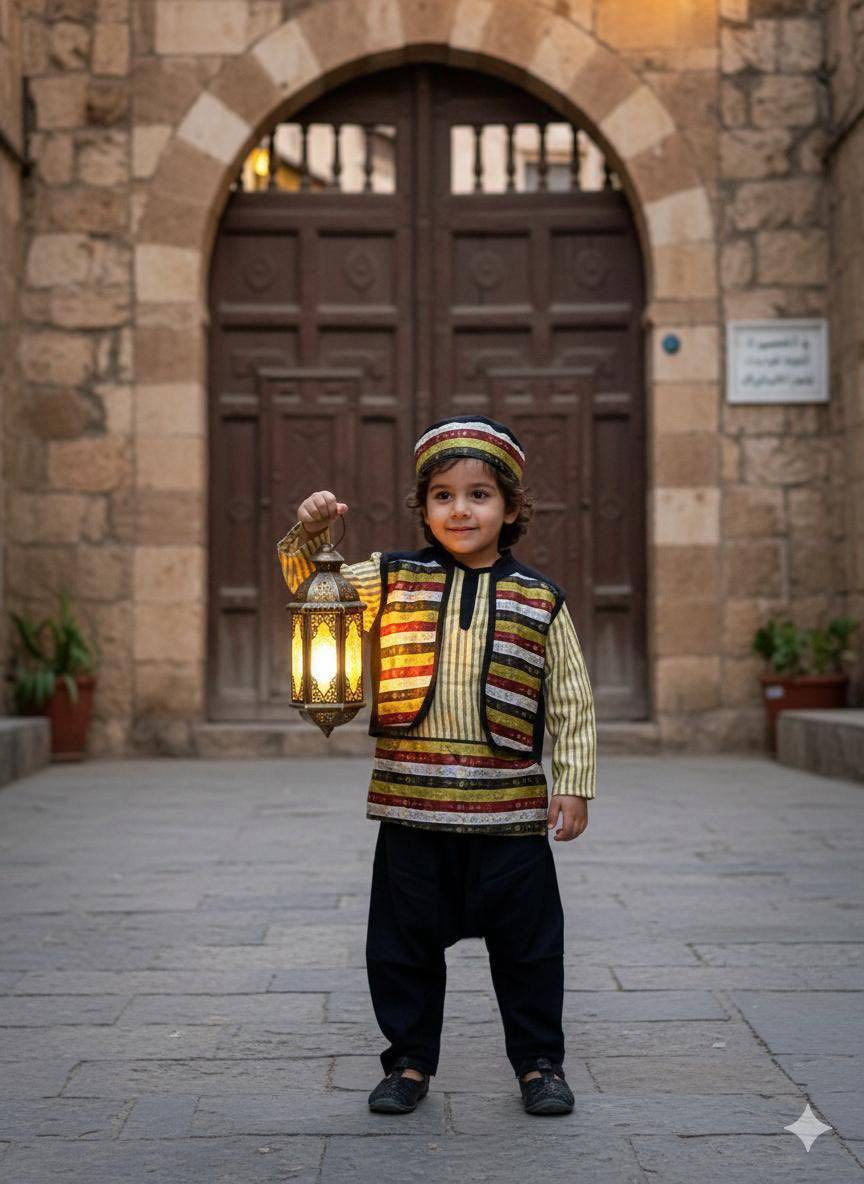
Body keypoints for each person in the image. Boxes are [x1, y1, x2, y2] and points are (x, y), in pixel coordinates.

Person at [276, 414, 597, 1117]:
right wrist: (311, 535)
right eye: (443, 495)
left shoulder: (540, 598)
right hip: (410, 809)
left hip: (509, 817)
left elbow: (570, 695)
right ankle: (410, 1063)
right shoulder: (390, 577)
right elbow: (310, 588)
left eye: (479, 494)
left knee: (531, 950)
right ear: (422, 508)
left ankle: (540, 1064)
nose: (460, 509)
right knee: (401, 947)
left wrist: (573, 782)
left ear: (511, 508)